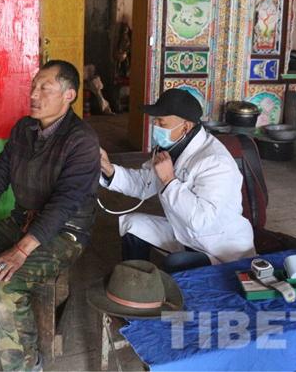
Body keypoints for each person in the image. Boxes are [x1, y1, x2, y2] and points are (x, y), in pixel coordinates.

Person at [0, 60, 100, 371]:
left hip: (64, 232)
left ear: (68, 95)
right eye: (33, 86)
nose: (34, 94)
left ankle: (25, 364)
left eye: (45, 88)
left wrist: (20, 251)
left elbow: (64, 204)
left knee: (4, 285)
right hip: (23, 220)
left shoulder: (82, 140)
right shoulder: (24, 129)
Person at [99, 88, 255, 268]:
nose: (156, 127)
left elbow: (202, 221)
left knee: (175, 264)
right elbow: (143, 184)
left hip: (219, 246)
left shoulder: (215, 161)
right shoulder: (173, 148)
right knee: (132, 225)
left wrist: (169, 181)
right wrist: (109, 169)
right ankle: (135, 281)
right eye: (155, 121)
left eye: (162, 123)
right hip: (185, 233)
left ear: (185, 127)